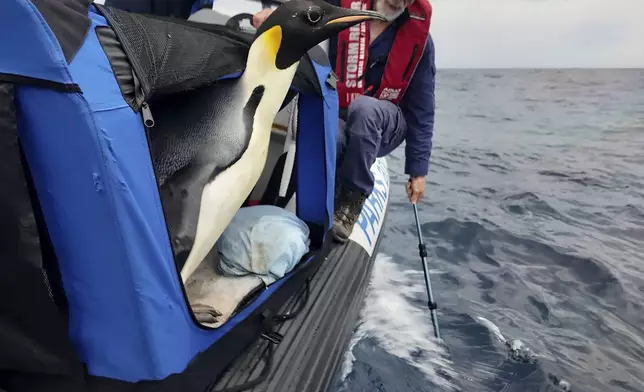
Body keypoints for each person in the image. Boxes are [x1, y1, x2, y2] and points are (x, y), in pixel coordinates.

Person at [253, 0, 436, 243]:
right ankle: (311, 203)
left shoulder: (421, 40)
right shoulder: (342, 9)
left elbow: (422, 108)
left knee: (365, 108)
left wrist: (418, 170)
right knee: (329, 132)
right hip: (340, 112)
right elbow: (308, 9)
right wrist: (276, 16)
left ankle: (353, 198)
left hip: (386, 122)